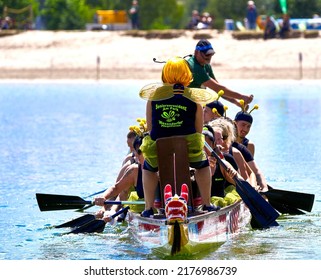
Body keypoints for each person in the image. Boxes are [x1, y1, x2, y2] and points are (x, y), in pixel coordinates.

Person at [139, 56, 219, 217]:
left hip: (158, 145)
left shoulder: (154, 96)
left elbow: (150, 127)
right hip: (188, 146)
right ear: (186, 74)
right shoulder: (194, 97)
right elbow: (198, 129)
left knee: (148, 168)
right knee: (202, 166)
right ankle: (207, 204)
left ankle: (148, 208)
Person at [186, 39, 254, 108]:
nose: (209, 57)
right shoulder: (195, 67)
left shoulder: (206, 65)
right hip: (185, 105)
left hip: (195, 103)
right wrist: (241, 97)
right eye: (207, 54)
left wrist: (237, 103)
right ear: (196, 52)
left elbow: (220, 91)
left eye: (211, 54)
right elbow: (218, 88)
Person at [94, 135, 145, 222]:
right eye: (137, 151)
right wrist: (103, 197)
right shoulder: (134, 170)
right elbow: (117, 188)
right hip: (139, 210)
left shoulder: (164, 167)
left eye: (140, 151)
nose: (135, 154)